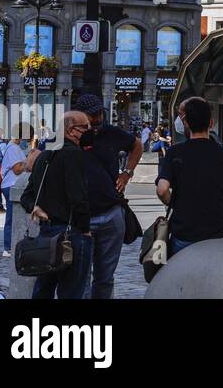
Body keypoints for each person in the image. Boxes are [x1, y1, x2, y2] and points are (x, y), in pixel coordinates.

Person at [155, 98, 223, 253]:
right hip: (218, 233)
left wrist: (177, 205)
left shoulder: (174, 153)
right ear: (211, 123)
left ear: (186, 123)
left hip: (184, 233)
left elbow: (162, 190)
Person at [74, 94, 143, 299]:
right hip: (81, 216)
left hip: (110, 212)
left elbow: (136, 145)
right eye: (92, 115)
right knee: (81, 275)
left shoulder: (111, 133)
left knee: (105, 276)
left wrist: (127, 173)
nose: (97, 119)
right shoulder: (72, 135)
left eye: (99, 113)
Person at [22, 111, 93, 299]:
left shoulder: (45, 156)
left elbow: (27, 196)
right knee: (71, 290)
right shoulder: (73, 155)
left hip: (47, 233)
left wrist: (34, 207)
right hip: (71, 234)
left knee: (43, 289)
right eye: (85, 127)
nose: (89, 131)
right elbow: (77, 197)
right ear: (71, 130)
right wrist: (85, 229)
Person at [0, 136, 31, 257]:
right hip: (12, 185)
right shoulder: (12, 148)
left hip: (13, 184)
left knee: (14, 217)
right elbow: (17, 169)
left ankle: (12, 245)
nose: (26, 141)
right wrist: (28, 162)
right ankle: (8, 247)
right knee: (11, 217)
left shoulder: (14, 148)